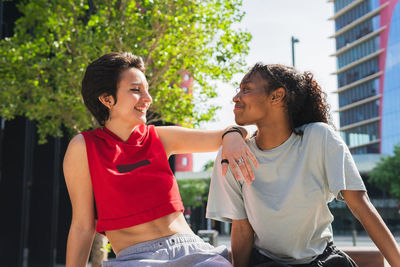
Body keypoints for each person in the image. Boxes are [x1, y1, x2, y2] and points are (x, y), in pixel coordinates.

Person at [63, 52, 258, 267]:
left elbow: (230, 132)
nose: (148, 99)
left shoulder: (160, 137)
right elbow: (82, 226)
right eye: (136, 90)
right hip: (134, 260)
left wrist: (232, 135)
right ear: (107, 99)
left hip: (194, 252)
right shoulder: (83, 147)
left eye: (147, 90)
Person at [206, 63, 400, 267]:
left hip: (323, 260)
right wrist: (232, 132)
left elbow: (360, 205)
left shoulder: (319, 137)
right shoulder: (233, 153)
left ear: (276, 96)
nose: (236, 97)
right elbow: (242, 227)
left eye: (246, 89)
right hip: (267, 263)